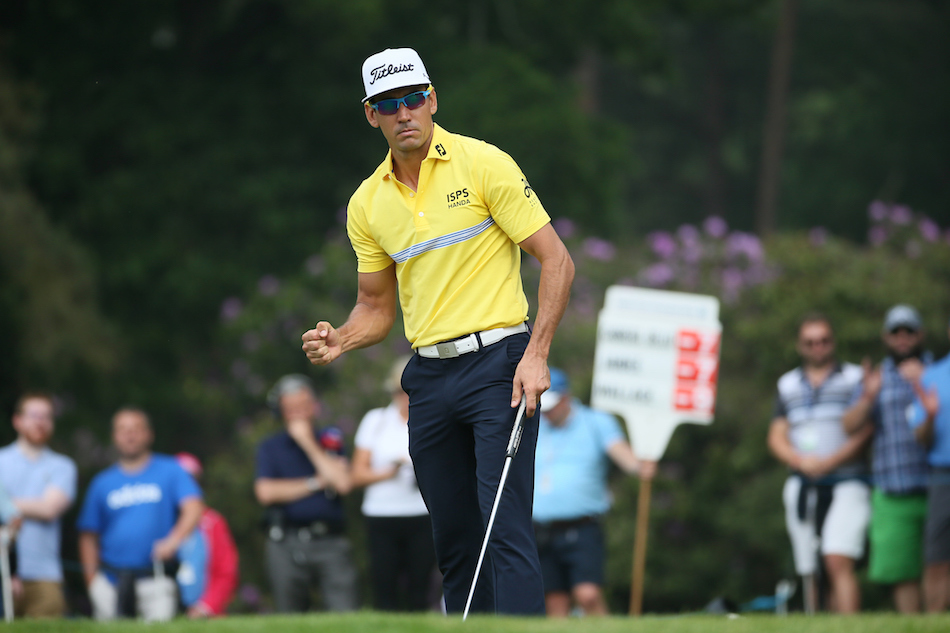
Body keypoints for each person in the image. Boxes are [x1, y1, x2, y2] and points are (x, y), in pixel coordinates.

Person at [301, 47, 574, 615]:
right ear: (370, 114)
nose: (404, 114)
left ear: (431, 100)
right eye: (388, 104)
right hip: (428, 376)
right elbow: (375, 308)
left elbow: (558, 261)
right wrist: (341, 339)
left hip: (500, 363)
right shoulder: (367, 203)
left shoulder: (484, 164)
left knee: (504, 528)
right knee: (453, 539)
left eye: (412, 100)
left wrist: (538, 353)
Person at [766, 313, 873, 614]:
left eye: (824, 341)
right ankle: (818, 622)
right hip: (804, 483)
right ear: (801, 346)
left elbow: (866, 430)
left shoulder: (854, 378)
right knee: (811, 567)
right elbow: (776, 435)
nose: (818, 347)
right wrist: (801, 461)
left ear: (833, 342)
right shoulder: (787, 384)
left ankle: (849, 625)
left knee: (837, 558)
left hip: (847, 481)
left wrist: (830, 461)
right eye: (810, 342)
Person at [532, 368, 656, 617]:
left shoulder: (596, 421)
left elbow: (619, 450)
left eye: (551, 406)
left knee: (588, 595)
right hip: (539, 528)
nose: (546, 412)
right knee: (555, 600)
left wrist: (638, 467)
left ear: (566, 397)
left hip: (582, 526)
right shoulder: (534, 421)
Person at [842, 305, 932, 612]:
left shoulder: (939, 371)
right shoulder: (875, 379)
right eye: (896, 332)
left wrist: (923, 382)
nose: (903, 338)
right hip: (892, 489)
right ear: (886, 337)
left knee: (939, 566)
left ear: (921, 334)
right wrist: (868, 397)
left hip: (937, 485)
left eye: (909, 331)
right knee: (901, 571)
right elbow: (849, 426)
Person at [77, 407, 204, 620]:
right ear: (114, 436)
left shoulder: (170, 470)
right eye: (123, 429)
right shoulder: (102, 482)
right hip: (111, 582)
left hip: (157, 578)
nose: (130, 434)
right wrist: (92, 582)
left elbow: (194, 507)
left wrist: (173, 541)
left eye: (136, 428)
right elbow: (88, 535)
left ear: (149, 434)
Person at [254, 374, 357, 613]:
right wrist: (317, 482)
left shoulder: (330, 439)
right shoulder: (270, 447)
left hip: (330, 540)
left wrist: (307, 442)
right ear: (280, 412)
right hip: (285, 541)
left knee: (345, 614)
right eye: (291, 409)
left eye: (303, 407)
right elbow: (266, 492)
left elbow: (342, 484)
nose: (298, 414)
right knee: (289, 618)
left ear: (314, 408)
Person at [350, 355, 436, 611]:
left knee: (420, 588)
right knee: (383, 585)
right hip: (382, 516)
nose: (406, 397)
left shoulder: (432, 419)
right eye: (401, 392)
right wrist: (392, 470)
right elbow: (357, 473)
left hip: (421, 513)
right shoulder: (376, 421)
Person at [0, 392, 77, 618]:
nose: (41, 422)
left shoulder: (63, 466)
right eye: (34, 415)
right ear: (17, 420)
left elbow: (49, 509)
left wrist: (6, 505)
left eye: (47, 416)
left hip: (45, 574)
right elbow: (41, 506)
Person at [908, 316, 950, 613]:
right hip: (942, 477)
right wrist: (931, 416)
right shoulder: (931, 376)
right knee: (936, 559)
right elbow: (921, 438)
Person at [173, 452, 239, 618]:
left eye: (191, 480)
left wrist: (206, 607)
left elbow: (227, 571)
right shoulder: (158, 521)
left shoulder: (213, 522)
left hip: (207, 614)